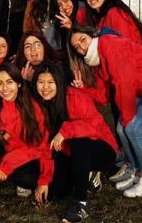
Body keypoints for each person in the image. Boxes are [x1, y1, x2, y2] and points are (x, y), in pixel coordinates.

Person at [69, 24, 142, 198]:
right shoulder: (98, 60)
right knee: (122, 129)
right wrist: (83, 88)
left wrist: (128, 117)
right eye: (77, 47)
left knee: (133, 128)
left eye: (82, 40)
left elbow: (125, 83)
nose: (81, 47)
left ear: (92, 35)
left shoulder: (110, 45)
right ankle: (135, 170)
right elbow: (103, 95)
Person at [32, 64, 116, 223]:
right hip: (68, 152)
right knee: (52, 194)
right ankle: (86, 174)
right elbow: (43, 144)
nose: (45, 87)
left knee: (79, 142)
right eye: (41, 82)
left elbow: (95, 124)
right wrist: (44, 181)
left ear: (59, 82)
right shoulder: (38, 106)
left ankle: (81, 203)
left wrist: (66, 131)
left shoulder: (75, 97)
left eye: (51, 82)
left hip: (100, 147)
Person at [0, 63, 53, 212]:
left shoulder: (32, 107)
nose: (4, 89)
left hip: (23, 155)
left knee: (28, 179)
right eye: (0, 83)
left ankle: (12, 176)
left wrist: (9, 163)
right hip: (0, 152)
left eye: (9, 82)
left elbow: (41, 146)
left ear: (18, 83)